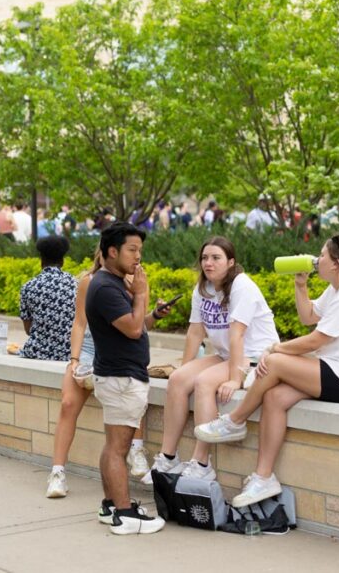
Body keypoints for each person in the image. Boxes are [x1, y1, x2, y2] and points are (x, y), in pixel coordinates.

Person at [195, 234, 339, 507]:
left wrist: (276, 349)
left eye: (322, 256)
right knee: (275, 398)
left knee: (275, 363)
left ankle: (235, 420)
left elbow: (316, 340)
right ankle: (264, 478)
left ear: (335, 263)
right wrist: (301, 286)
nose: (316, 260)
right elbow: (308, 317)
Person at [149, 237, 279, 484]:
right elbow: (195, 333)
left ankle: (201, 463)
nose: (208, 263)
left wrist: (234, 379)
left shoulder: (242, 286)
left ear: (231, 262)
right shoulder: (203, 289)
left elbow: (237, 334)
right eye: (205, 258)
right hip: (226, 353)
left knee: (204, 382)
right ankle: (168, 458)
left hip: (255, 356)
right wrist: (185, 368)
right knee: (177, 379)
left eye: (216, 258)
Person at [46, 249, 153, 499]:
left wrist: (151, 308)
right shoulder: (89, 281)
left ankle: (137, 452)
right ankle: (57, 472)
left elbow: (138, 326)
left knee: (134, 389)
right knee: (68, 403)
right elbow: (80, 322)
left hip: (118, 352)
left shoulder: (136, 282)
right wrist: (74, 360)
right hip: (89, 351)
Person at [86, 222, 166, 534]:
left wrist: (153, 314)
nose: (138, 257)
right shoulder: (106, 286)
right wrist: (142, 292)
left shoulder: (111, 283)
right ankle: (125, 514)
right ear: (112, 251)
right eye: (132, 250)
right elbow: (133, 329)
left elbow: (133, 324)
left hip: (116, 375)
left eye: (140, 251)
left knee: (113, 446)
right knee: (119, 448)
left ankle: (112, 506)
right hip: (121, 378)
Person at [19, 235, 76, 361]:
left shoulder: (28, 287)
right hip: (68, 355)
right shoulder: (76, 285)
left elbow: (28, 330)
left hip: (35, 354)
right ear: (62, 261)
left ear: (41, 260)